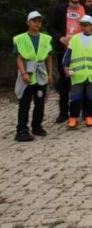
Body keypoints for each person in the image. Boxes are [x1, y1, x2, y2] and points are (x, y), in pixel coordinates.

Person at [13, 11, 53, 142]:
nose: (37, 23)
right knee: (24, 103)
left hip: (40, 73)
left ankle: (37, 126)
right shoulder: (20, 39)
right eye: (34, 21)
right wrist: (23, 73)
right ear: (28, 22)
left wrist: (50, 74)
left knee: (40, 102)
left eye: (39, 21)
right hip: (27, 72)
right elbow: (19, 58)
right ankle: (22, 130)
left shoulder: (46, 38)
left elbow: (48, 57)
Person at [47, 0, 85, 123]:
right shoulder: (60, 9)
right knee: (64, 83)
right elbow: (50, 27)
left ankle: (78, 110)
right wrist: (60, 37)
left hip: (81, 51)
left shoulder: (84, 9)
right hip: (64, 50)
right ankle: (63, 112)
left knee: (79, 81)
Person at [63, 15, 92, 128]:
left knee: (90, 96)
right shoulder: (75, 38)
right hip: (77, 73)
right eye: (82, 24)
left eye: (86, 24)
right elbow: (68, 54)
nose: (84, 26)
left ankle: (89, 116)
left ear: (91, 25)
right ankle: (73, 117)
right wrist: (65, 66)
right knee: (75, 96)